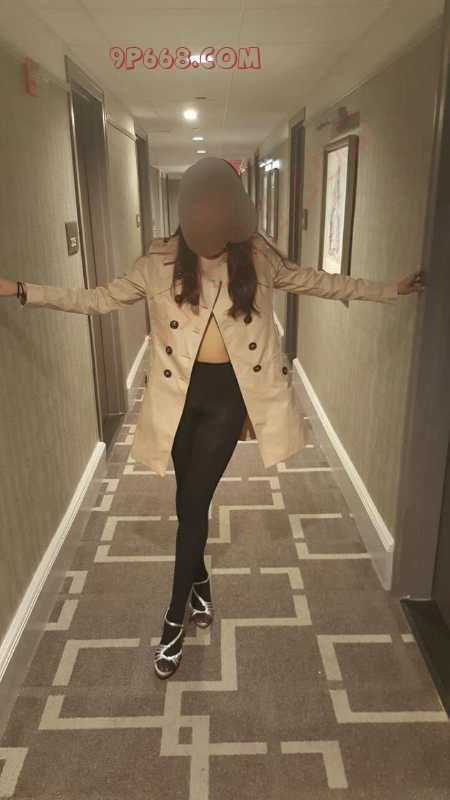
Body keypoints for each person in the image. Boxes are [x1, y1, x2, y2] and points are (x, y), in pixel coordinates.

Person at [0, 157, 425, 681]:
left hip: (228, 399)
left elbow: (318, 282)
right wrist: (24, 290)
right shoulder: (156, 262)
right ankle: (201, 585)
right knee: (188, 502)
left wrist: (388, 289)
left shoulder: (258, 258)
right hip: (177, 397)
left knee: (195, 503)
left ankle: (173, 619)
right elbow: (98, 299)